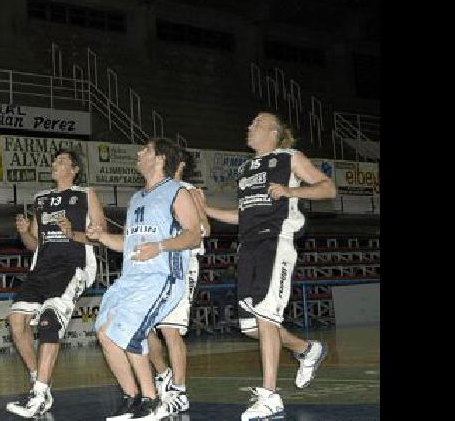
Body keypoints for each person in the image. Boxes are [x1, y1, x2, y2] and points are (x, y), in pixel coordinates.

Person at [204, 112, 336, 421]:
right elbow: (242, 215)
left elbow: (327, 188)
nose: (249, 126)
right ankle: (305, 349)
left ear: (273, 132)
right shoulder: (246, 168)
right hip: (249, 246)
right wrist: (206, 209)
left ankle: (270, 396)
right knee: (251, 326)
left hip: (276, 241)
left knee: (264, 317)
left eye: (256, 123)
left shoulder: (289, 157)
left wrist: (293, 191)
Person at [86, 138, 203, 421]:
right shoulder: (137, 198)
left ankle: (152, 401)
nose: (139, 153)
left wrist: (159, 246)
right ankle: (131, 398)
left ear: (160, 159)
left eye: (145, 150)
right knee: (105, 332)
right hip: (131, 279)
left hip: (162, 277)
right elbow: (127, 244)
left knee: (130, 334)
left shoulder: (177, 192)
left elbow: (194, 235)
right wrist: (101, 237)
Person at [5, 149, 106, 418]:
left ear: (74, 170)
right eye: (54, 161)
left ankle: (38, 395)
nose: (55, 164)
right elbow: (34, 244)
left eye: (62, 161)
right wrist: (25, 232)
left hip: (73, 266)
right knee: (16, 321)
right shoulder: (41, 200)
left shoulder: (86, 194)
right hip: (42, 268)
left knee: (50, 320)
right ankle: (40, 379)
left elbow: (102, 235)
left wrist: (72, 233)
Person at [147, 149, 210, 417]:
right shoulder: (150, 192)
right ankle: (163, 374)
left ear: (180, 165)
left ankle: (180, 392)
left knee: (171, 331)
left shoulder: (188, 190)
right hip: (154, 265)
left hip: (181, 263)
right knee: (140, 327)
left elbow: (205, 229)